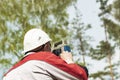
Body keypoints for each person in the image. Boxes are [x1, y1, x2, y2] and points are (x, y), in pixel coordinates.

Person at [3, 28, 88, 80]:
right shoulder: (44, 58)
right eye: (49, 46)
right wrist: (69, 60)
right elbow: (80, 76)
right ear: (46, 45)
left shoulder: (9, 74)